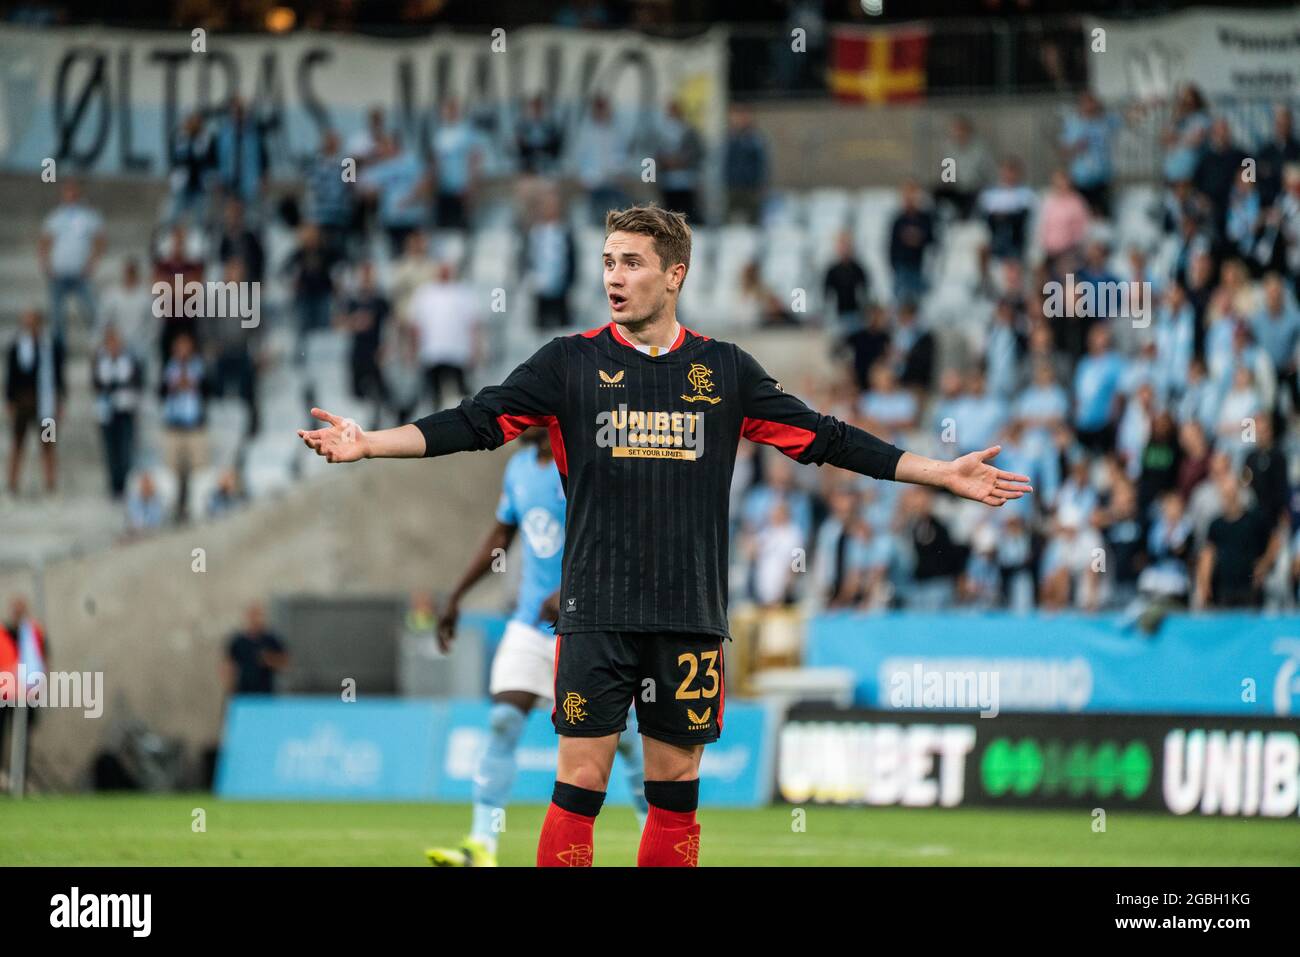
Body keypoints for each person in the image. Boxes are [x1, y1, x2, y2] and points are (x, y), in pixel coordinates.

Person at [298, 205, 1033, 867]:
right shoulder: (569, 362)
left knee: (675, 785)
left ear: (674, 273)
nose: (615, 277)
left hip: (688, 612)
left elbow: (826, 438)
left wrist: (939, 473)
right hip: (596, 610)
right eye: (609, 261)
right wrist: (371, 443)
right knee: (578, 778)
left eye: (633, 262)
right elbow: (474, 420)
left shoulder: (724, 372)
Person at [426, 427, 647, 867]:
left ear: (547, 417)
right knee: (505, 719)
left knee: (622, 739)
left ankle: (654, 835)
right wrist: (456, 596)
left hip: (588, 624)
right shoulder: (519, 468)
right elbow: (500, 538)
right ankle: (481, 845)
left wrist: (569, 590)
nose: (513, 422)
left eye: (523, 414)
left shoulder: (581, 463)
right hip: (531, 622)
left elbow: (612, 536)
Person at [38, 179, 104, 347]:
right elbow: (44, 241)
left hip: (80, 273)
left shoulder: (89, 216)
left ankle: (98, 344)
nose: (71, 196)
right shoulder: (55, 216)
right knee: (57, 317)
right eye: (67, 193)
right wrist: (46, 265)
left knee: (93, 312)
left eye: (73, 193)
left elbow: (99, 239)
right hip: (58, 273)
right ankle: (58, 352)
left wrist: (92, 263)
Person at [5, 309, 64, 496]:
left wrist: (59, 401)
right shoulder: (16, 347)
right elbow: (11, 377)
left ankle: (50, 485)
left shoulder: (51, 346)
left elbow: (58, 376)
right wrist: (10, 401)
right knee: (18, 444)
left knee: (48, 445)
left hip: (45, 403)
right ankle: (12, 485)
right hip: (23, 402)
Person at [91, 325, 144, 499]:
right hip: (106, 411)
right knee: (111, 449)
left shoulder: (130, 360)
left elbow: (136, 382)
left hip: (125, 408)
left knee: (125, 448)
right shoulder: (100, 360)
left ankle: (125, 484)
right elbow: (96, 384)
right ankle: (114, 486)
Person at [224, 603, 289, 695]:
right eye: (253, 615)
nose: (255, 619)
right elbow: (228, 666)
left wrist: (269, 659)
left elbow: (285, 662)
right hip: (243, 692)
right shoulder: (238, 641)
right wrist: (230, 686)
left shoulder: (271, 640)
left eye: (258, 615)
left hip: (266, 693)